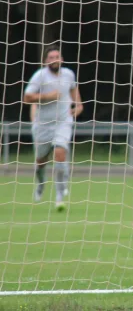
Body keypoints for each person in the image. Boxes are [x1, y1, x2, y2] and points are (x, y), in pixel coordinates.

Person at [23, 45, 83, 211]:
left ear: (62, 59)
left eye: (57, 56)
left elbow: (73, 91)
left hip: (63, 122)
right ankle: (41, 184)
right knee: (41, 161)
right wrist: (47, 96)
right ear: (45, 61)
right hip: (43, 125)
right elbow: (26, 98)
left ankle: (60, 195)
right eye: (51, 57)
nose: (54, 59)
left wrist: (78, 106)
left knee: (60, 152)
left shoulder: (69, 74)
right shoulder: (40, 76)